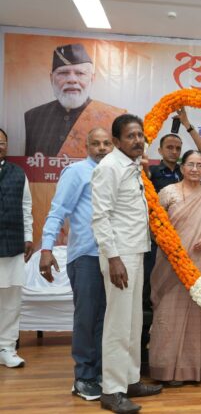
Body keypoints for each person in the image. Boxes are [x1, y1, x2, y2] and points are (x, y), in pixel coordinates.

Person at [91, 114, 162, 413]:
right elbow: (101, 216)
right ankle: (111, 390)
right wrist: (114, 258)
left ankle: (130, 380)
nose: (137, 140)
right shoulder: (109, 167)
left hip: (136, 252)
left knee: (133, 324)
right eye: (130, 136)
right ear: (117, 141)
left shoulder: (132, 166)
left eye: (140, 135)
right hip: (119, 257)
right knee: (118, 326)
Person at [39, 127, 114, 400]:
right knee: (87, 318)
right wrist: (46, 249)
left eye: (107, 143)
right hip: (86, 257)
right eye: (96, 143)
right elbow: (57, 211)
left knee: (106, 319)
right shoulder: (76, 172)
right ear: (87, 147)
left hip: (112, 257)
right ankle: (83, 378)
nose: (102, 148)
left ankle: (101, 374)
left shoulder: (115, 172)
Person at [149, 150, 201, 386]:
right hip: (172, 265)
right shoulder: (168, 193)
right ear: (182, 168)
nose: (195, 169)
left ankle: (194, 370)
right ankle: (166, 370)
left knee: (199, 317)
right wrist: (171, 248)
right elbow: (154, 226)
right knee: (168, 315)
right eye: (191, 164)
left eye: (199, 165)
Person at [141, 106, 201, 374]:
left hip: (185, 247)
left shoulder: (186, 172)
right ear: (159, 150)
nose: (173, 151)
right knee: (151, 297)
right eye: (169, 147)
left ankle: (178, 354)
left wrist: (188, 124)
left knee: (180, 299)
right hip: (157, 245)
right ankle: (146, 352)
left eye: (177, 148)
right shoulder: (151, 173)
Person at [25, 43, 124, 157]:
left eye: (80, 73)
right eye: (63, 73)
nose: (72, 80)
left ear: (92, 78)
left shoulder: (115, 118)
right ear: (51, 78)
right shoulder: (33, 117)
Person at [0, 128, 33, 368]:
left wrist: (28, 236)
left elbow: (26, 207)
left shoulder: (19, 173)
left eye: (2, 142)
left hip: (12, 243)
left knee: (11, 300)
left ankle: (7, 348)